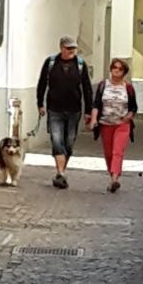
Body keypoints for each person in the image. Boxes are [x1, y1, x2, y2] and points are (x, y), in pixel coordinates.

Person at [36, 36, 94, 189]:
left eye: (74, 48)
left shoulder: (80, 65)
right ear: (61, 48)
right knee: (56, 139)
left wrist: (89, 110)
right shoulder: (51, 63)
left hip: (74, 109)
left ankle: (61, 170)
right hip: (54, 108)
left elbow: (87, 88)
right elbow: (42, 83)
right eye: (68, 48)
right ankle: (60, 173)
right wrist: (40, 104)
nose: (72, 51)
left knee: (69, 142)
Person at [89, 58, 138, 193]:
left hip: (122, 125)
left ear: (124, 72)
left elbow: (133, 108)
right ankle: (112, 177)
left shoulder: (128, 88)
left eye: (120, 69)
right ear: (111, 69)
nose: (117, 70)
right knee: (109, 153)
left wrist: (127, 117)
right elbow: (96, 104)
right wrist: (94, 119)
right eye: (114, 67)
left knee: (118, 151)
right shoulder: (103, 85)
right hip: (106, 124)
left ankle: (115, 179)